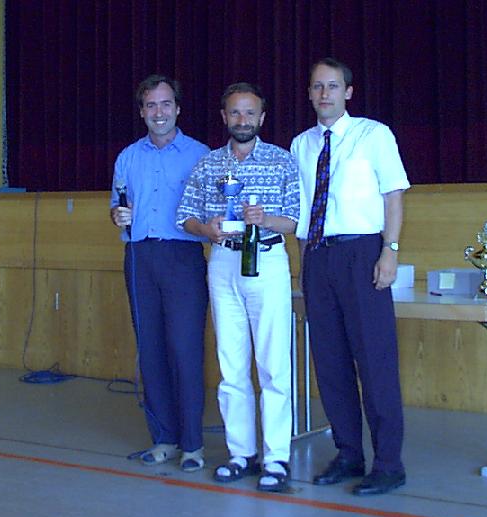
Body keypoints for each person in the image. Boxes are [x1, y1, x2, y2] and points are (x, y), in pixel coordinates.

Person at [290, 58, 410, 495]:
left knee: (374, 361)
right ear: (309, 93)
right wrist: (304, 263)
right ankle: (348, 453)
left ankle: (389, 463)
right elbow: (303, 209)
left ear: (348, 92)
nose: (325, 94)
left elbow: (393, 195)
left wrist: (389, 251)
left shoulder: (373, 135)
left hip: (362, 253)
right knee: (330, 362)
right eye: (317, 86)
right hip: (318, 257)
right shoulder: (301, 144)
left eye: (333, 86)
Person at [176, 82, 299, 493]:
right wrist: (206, 229)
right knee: (231, 363)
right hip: (223, 260)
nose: (242, 120)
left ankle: (276, 457)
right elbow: (185, 217)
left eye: (249, 113)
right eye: (235, 112)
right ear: (224, 117)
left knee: (273, 363)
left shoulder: (282, 161)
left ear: (262, 117)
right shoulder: (209, 164)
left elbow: (295, 221)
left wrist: (265, 219)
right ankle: (241, 453)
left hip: (267, 258)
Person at [110, 74, 210, 472]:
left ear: (178, 109)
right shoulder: (128, 157)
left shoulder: (200, 155)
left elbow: (212, 211)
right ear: (142, 112)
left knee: (185, 349)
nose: (159, 112)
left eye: (166, 104)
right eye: (151, 105)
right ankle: (164, 438)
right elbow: (118, 205)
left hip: (183, 258)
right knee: (150, 350)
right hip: (139, 258)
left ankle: (193, 445)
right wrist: (117, 215)